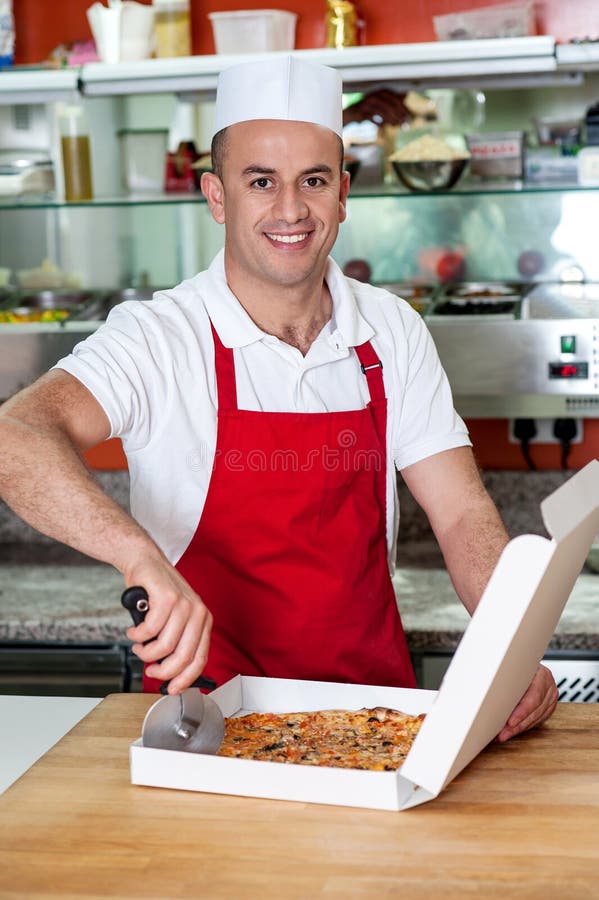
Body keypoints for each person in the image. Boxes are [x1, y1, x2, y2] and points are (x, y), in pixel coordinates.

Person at [0, 56, 557, 741]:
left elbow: (462, 513)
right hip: (206, 723)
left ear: (343, 193)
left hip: (373, 718)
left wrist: (510, 640)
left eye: (313, 181)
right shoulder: (160, 336)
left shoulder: (390, 330)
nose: (290, 209)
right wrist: (138, 557)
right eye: (260, 181)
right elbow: (16, 434)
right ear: (216, 195)